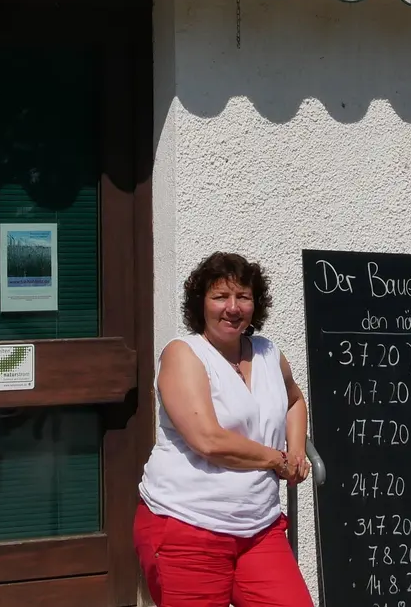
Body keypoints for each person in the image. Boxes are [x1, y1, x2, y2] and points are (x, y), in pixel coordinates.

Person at [133, 251, 315, 607]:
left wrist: (295, 450)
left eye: (243, 297)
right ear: (201, 303)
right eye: (220, 297)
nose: (232, 307)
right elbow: (208, 440)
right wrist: (277, 460)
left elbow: (294, 401)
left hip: (259, 528)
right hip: (187, 526)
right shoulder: (183, 354)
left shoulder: (267, 353)